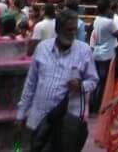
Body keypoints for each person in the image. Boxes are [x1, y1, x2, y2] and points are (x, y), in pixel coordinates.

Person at [15, 9, 99, 150]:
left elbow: (93, 81)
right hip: (39, 119)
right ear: (58, 29)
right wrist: (20, 114)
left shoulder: (84, 51)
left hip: (66, 124)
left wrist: (81, 86)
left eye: (74, 29)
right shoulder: (42, 49)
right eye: (69, 29)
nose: (72, 33)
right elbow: (30, 84)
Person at [92, 0, 118, 111]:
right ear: (107, 9)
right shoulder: (109, 22)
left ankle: (93, 105)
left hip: (97, 52)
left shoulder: (97, 19)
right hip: (106, 53)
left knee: (97, 80)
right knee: (103, 82)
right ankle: (98, 105)